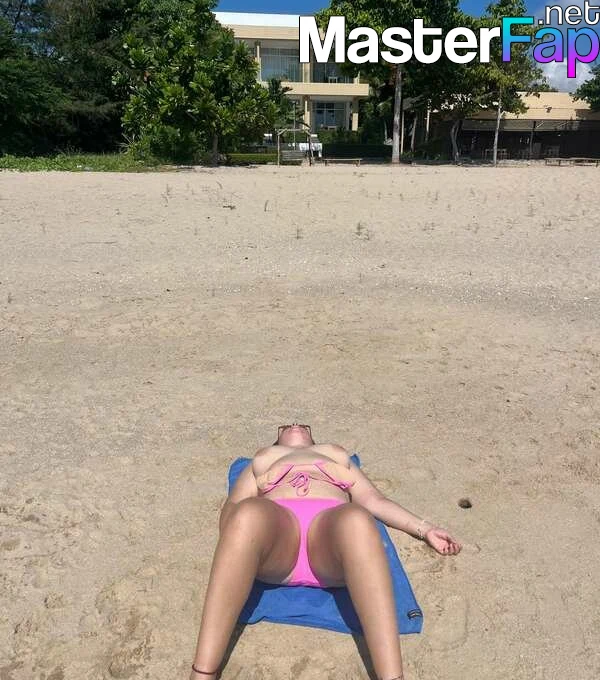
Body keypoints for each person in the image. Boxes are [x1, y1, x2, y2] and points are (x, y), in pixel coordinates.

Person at [189, 424, 461, 680]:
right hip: (278, 537)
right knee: (246, 513)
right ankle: (202, 673)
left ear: (312, 437)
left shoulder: (336, 455)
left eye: (302, 425)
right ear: (277, 439)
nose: (295, 424)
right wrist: (236, 542)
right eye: (286, 426)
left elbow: (374, 500)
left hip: (329, 539)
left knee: (357, 518)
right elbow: (234, 505)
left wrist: (425, 529)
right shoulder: (263, 459)